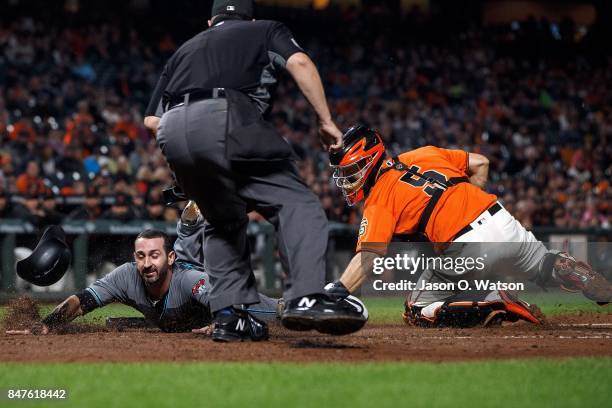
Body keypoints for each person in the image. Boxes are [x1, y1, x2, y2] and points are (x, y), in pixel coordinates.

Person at [143, 0, 366, 340]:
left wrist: (191, 149)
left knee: (223, 220)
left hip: (172, 130)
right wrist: (326, 121)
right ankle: (304, 297)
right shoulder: (264, 29)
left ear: (210, 20)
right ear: (250, 18)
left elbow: (151, 119)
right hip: (227, 115)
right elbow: (301, 62)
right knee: (297, 203)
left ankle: (229, 317)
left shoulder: (185, 50)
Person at [325, 125, 612, 327]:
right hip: (501, 219)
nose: (348, 179)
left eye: (351, 170)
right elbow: (481, 162)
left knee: (417, 309)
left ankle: (492, 302)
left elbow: (369, 256)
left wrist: (338, 291)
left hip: (468, 243)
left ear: (371, 160)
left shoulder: (379, 198)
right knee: (542, 265)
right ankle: (571, 269)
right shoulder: (424, 153)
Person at [6, 202, 278, 339]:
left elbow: (218, 296)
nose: (146, 263)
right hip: (179, 282)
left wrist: (223, 320)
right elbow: (81, 301)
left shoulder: (188, 280)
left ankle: (191, 226)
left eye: (153, 256)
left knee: (281, 313)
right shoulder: (127, 275)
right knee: (176, 261)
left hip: (214, 284)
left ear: (166, 257)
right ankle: (187, 231)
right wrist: (45, 325)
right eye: (141, 256)